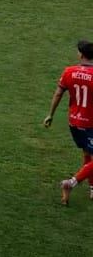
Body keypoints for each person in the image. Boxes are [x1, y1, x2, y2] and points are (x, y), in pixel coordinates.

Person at [47, 40, 93, 204]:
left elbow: (58, 94)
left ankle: (92, 189)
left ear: (81, 54)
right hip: (91, 124)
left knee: (87, 153)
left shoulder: (69, 71)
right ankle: (71, 183)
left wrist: (50, 115)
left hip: (74, 122)